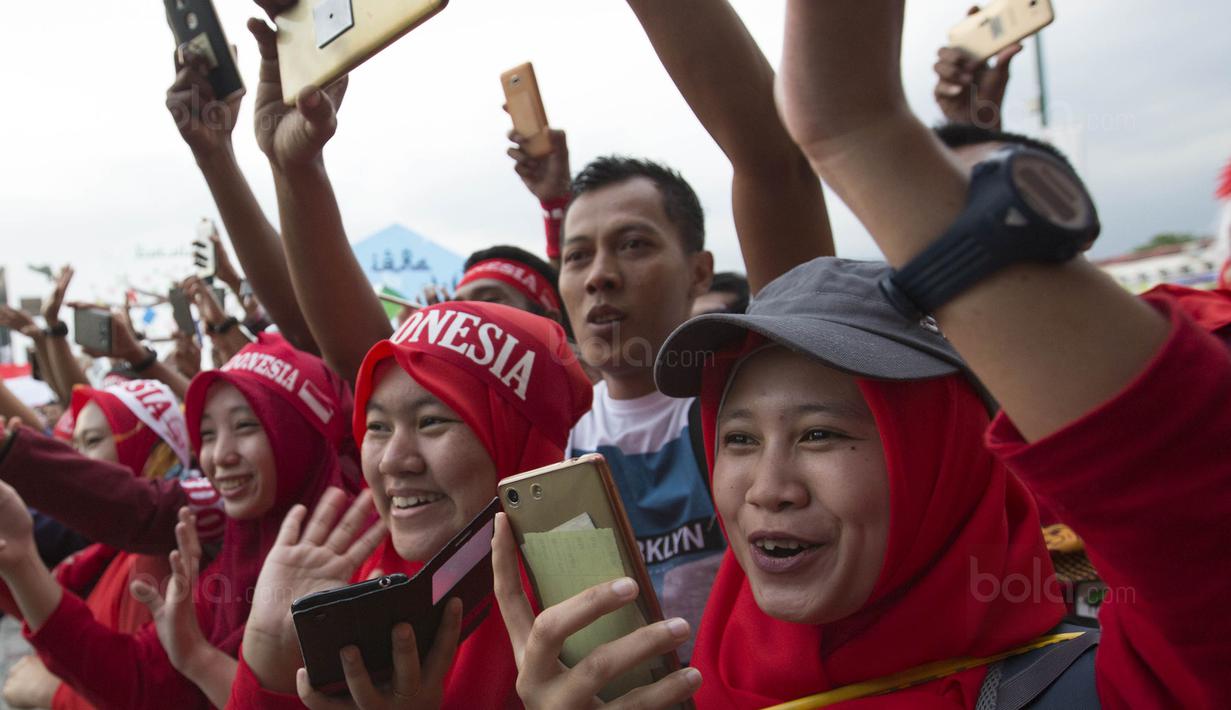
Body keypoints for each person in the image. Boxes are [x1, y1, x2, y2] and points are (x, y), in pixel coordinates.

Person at [225, 301, 592, 709]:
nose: (391, 460)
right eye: (377, 426)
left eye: (431, 421)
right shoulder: (353, 589)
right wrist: (267, 660)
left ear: (516, 441)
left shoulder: (589, 617)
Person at [0, 337, 352, 709]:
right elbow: (139, 681)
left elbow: (136, 506)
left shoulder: (357, 565)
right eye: (208, 434)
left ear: (296, 433)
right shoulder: (226, 564)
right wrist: (21, 562)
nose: (219, 456)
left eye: (247, 425)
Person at [1, 380, 194, 710]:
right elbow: (49, 611)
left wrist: (57, 695)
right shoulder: (113, 554)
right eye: (73, 443)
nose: (76, 459)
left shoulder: (165, 561)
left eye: (91, 441)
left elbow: (140, 693)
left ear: (154, 451)